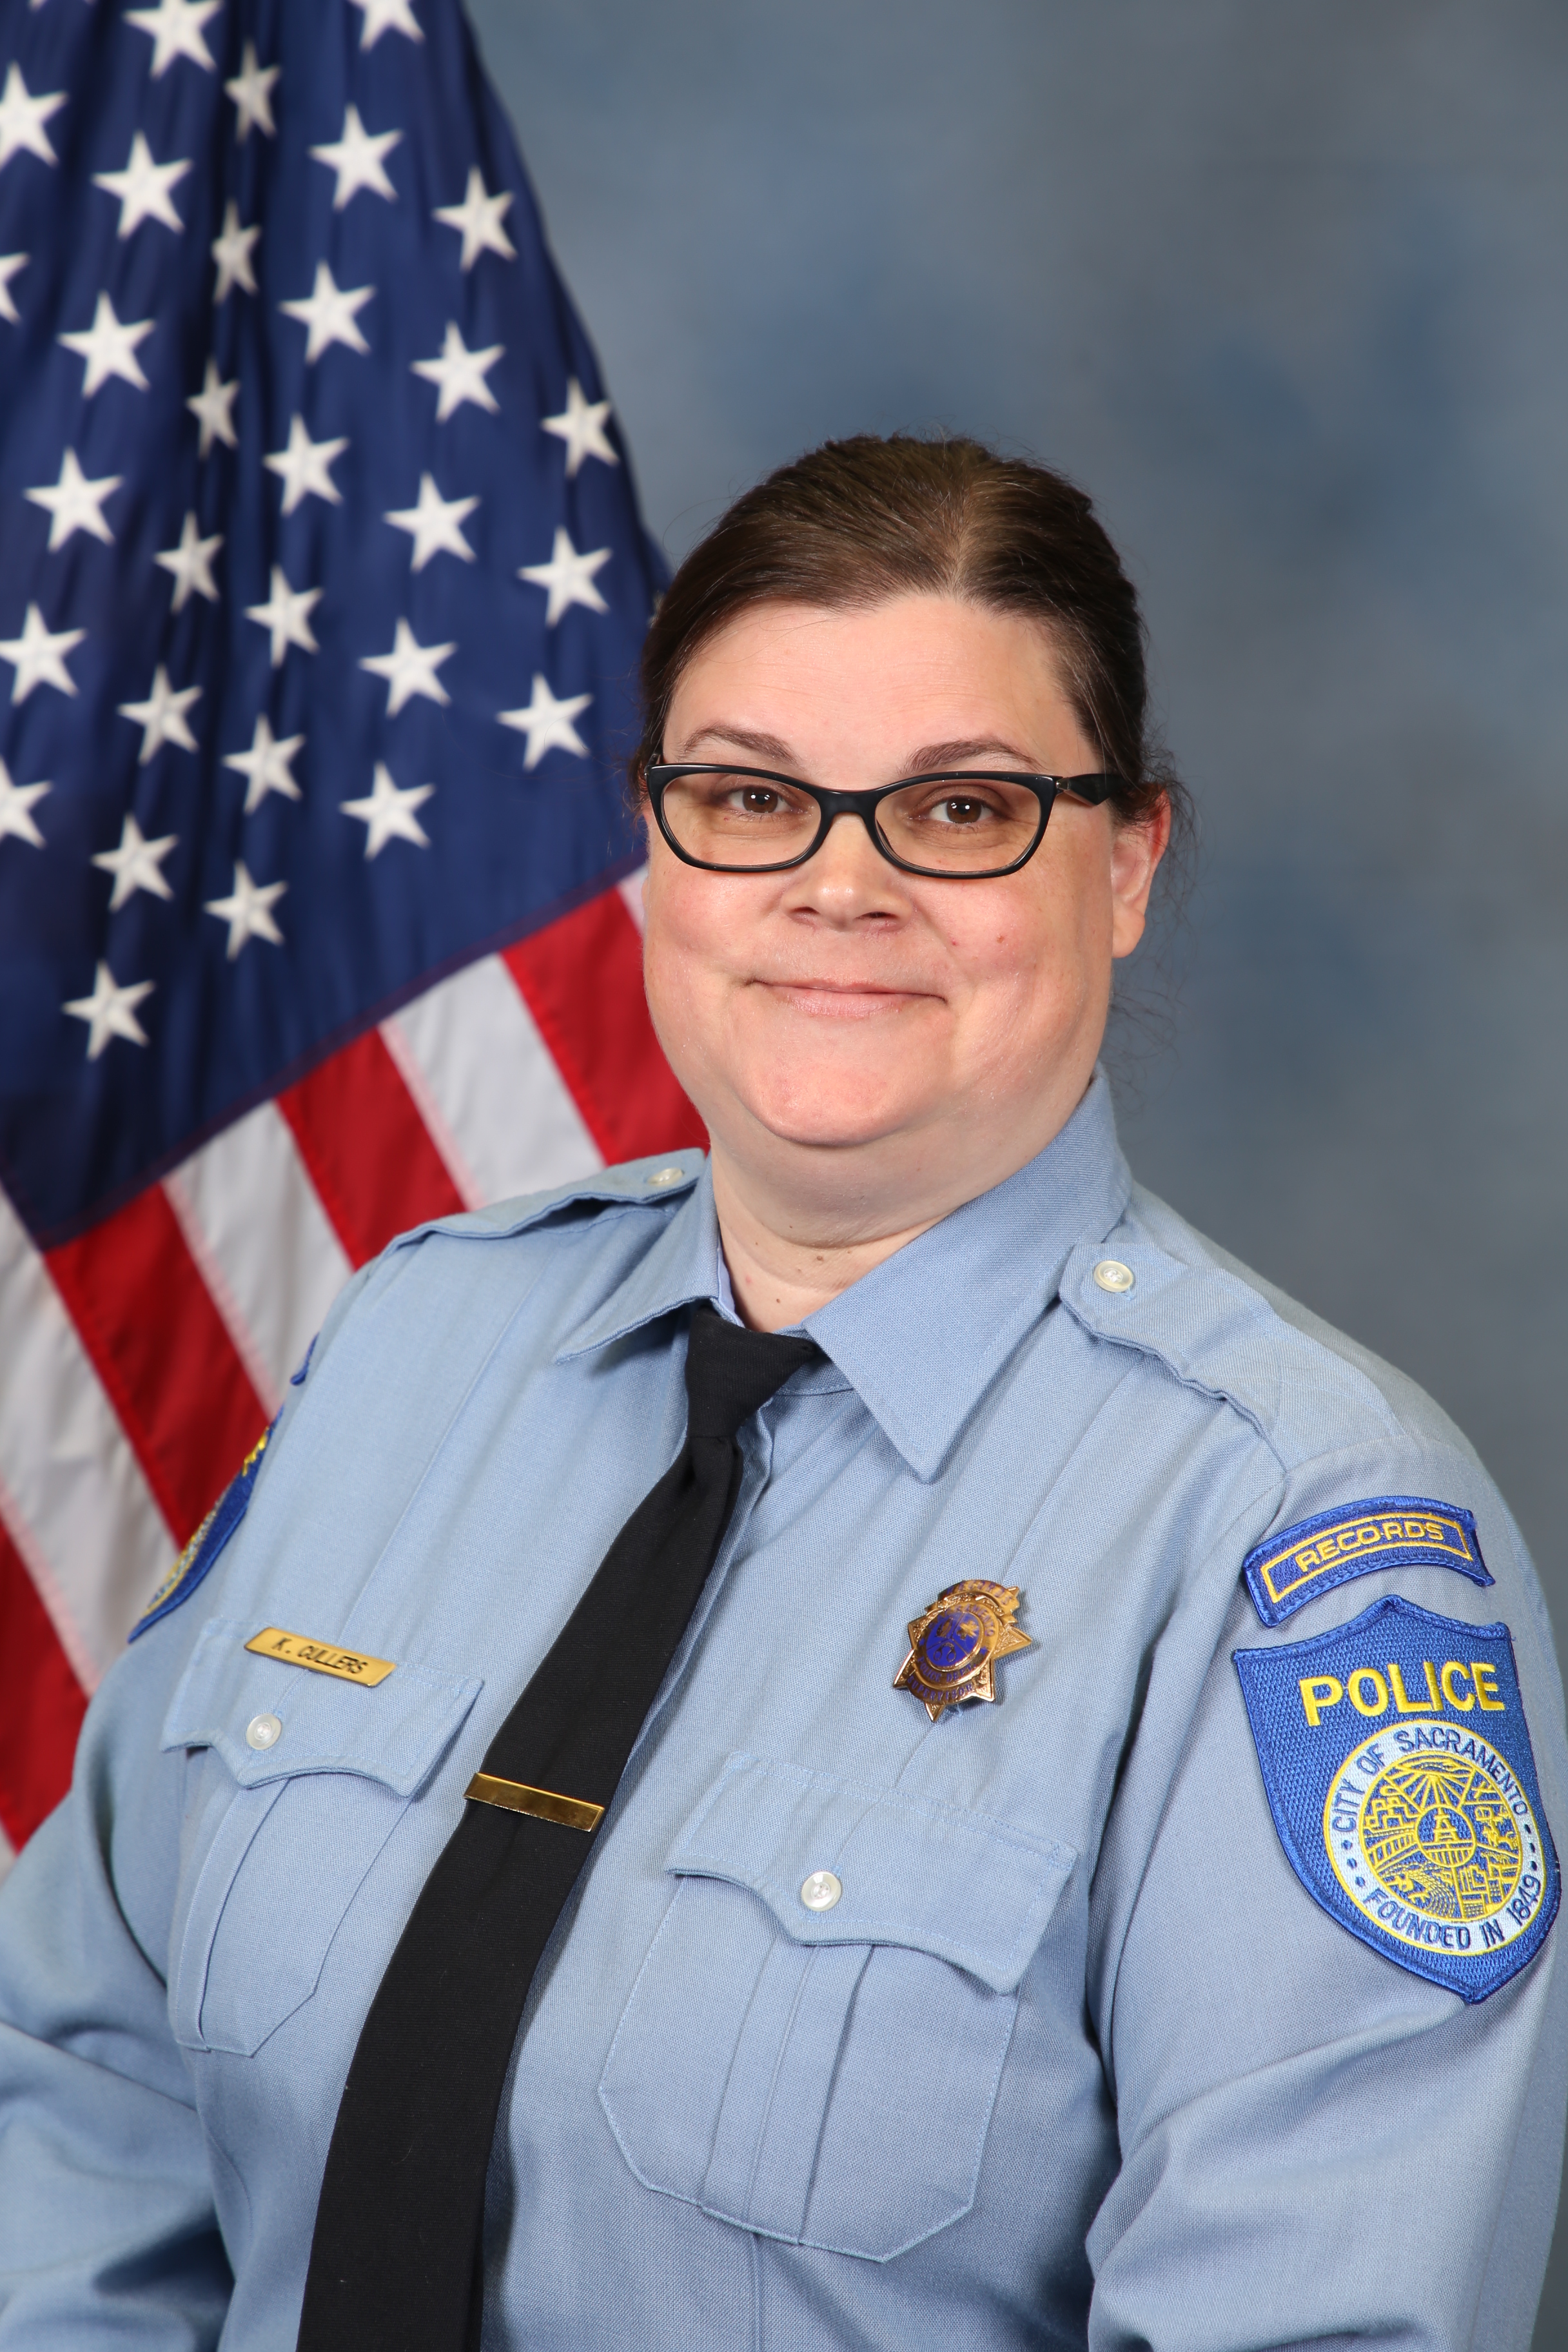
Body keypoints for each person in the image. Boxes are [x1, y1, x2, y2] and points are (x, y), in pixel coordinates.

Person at [0, 434, 1562, 2352]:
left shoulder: (1298, 1534)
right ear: (658, 844)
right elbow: (78, 2086)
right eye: (752, 797)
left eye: (964, 812)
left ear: (1130, 861)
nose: (841, 887)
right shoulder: (417, 1346)